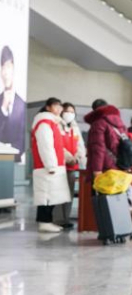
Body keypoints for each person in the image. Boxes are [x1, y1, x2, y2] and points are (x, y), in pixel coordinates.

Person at [31, 98, 72, 233]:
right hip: (47, 167)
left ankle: (47, 221)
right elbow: (45, 146)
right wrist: (51, 165)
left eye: (60, 106)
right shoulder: (44, 123)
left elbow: (57, 146)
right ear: (48, 107)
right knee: (46, 196)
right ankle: (44, 222)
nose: (59, 108)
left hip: (54, 165)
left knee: (52, 195)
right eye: (56, 106)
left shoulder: (53, 123)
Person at [53, 103, 86, 229]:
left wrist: (77, 158)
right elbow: (58, 145)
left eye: (72, 111)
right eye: (67, 111)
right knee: (58, 194)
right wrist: (69, 158)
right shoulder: (56, 125)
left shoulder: (75, 127)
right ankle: (57, 219)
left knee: (69, 194)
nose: (69, 114)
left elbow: (80, 146)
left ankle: (65, 218)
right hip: (60, 166)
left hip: (72, 167)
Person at [84, 99, 127, 180]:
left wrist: (97, 169)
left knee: (103, 191)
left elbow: (98, 148)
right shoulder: (120, 122)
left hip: (105, 167)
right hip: (120, 164)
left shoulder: (98, 123)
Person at [0, 46, 26, 161]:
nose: (6, 73)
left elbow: (23, 138)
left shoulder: (22, 105)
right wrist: (3, 109)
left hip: (15, 162)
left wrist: (11, 151)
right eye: (3, 67)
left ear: (14, 69)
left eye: (9, 67)